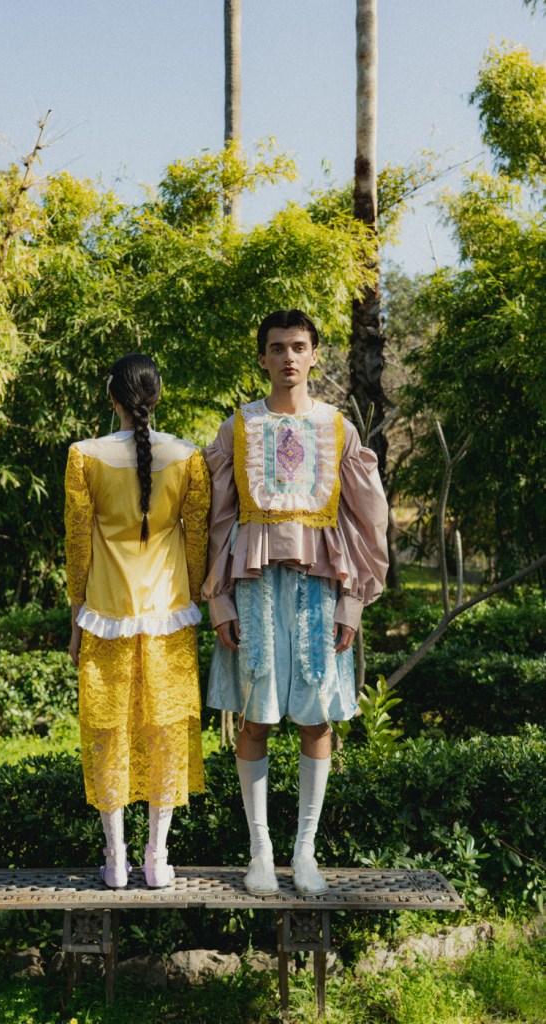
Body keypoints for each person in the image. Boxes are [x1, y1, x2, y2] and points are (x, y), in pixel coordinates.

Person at [202, 309, 388, 897]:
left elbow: (367, 522)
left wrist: (354, 601)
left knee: (315, 717)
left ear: (314, 356)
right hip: (253, 586)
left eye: (299, 347)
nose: (288, 357)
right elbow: (215, 521)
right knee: (254, 717)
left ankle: (304, 851)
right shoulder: (237, 428)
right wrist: (218, 600)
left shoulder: (338, 429)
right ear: (262, 357)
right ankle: (259, 852)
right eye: (278, 347)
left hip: (320, 589)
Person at [65, 353, 210, 889]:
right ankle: (157, 858)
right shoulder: (189, 457)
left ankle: (114, 859)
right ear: (159, 394)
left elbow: (78, 545)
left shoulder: (84, 456)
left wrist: (76, 617)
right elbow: (197, 542)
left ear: (112, 397)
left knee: (109, 733)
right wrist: (196, 594)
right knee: (164, 733)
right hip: (170, 616)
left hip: (106, 616)